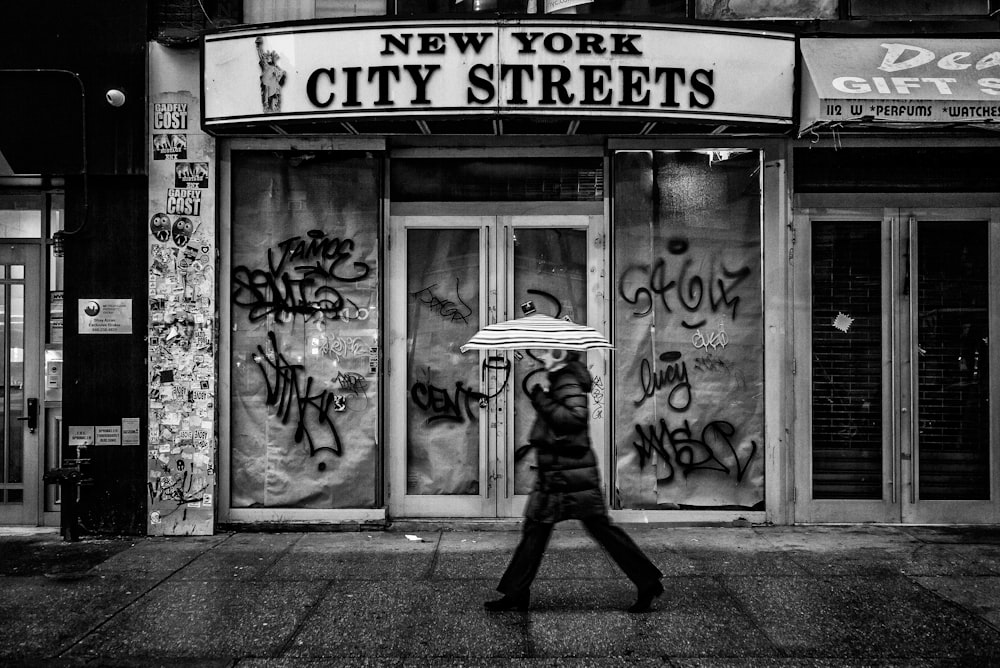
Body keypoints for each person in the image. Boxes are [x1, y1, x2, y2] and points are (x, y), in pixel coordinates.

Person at [485, 348, 664, 613]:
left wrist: (542, 401)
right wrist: (545, 397)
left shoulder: (568, 380)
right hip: (558, 474)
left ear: (560, 355)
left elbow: (575, 418)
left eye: (546, 353)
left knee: (600, 530)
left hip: (571, 475)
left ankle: (648, 581)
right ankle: (516, 592)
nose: (542, 358)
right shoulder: (561, 380)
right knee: (535, 530)